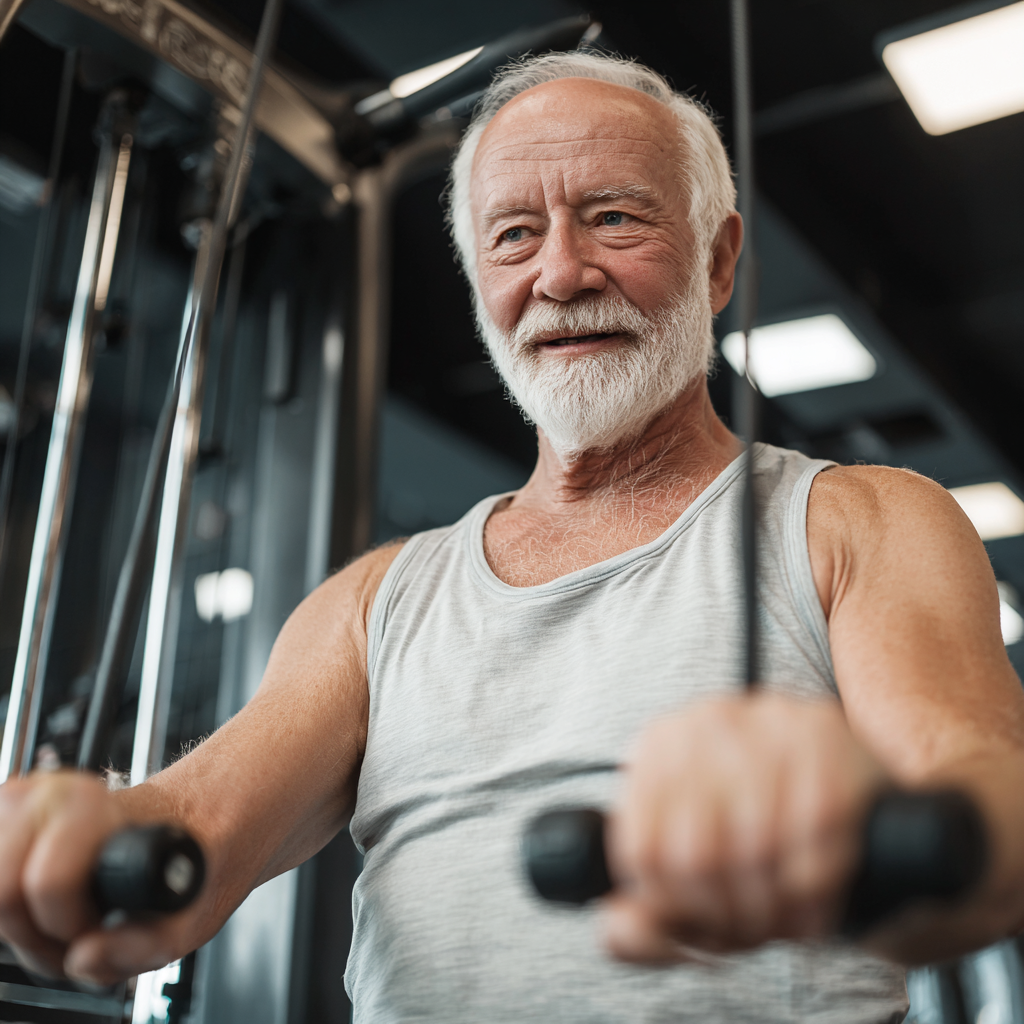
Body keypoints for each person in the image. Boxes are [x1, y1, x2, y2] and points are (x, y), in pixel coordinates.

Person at [2, 49, 1024, 1024]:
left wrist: (872, 841)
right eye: (513, 236)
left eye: (614, 218)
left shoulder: (860, 520)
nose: (562, 274)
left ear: (717, 261)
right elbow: (198, 823)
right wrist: (82, 837)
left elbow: (987, 794)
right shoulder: (376, 600)